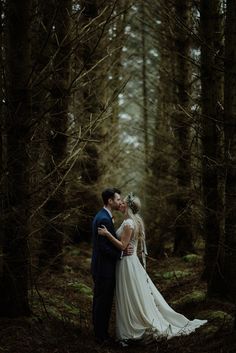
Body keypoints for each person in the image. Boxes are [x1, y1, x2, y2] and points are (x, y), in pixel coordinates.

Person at [98, 193, 207, 344]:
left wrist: (108, 234)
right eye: (120, 201)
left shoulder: (129, 223)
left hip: (127, 263)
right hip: (128, 261)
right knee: (131, 294)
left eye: (123, 203)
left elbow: (123, 246)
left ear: (128, 207)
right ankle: (132, 325)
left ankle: (133, 328)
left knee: (130, 294)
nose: (120, 204)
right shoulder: (131, 221)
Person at [91, 187, 125, 345]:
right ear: (110, 201)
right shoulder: (104, 219)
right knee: (102, 302)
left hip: (102, 267)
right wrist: (121, 255)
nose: (120, 202)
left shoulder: (103, 215)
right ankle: (101, 336)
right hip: (104, 269)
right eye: (118, 199)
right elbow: (103, 247)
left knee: (101, 301)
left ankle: (101, 333)